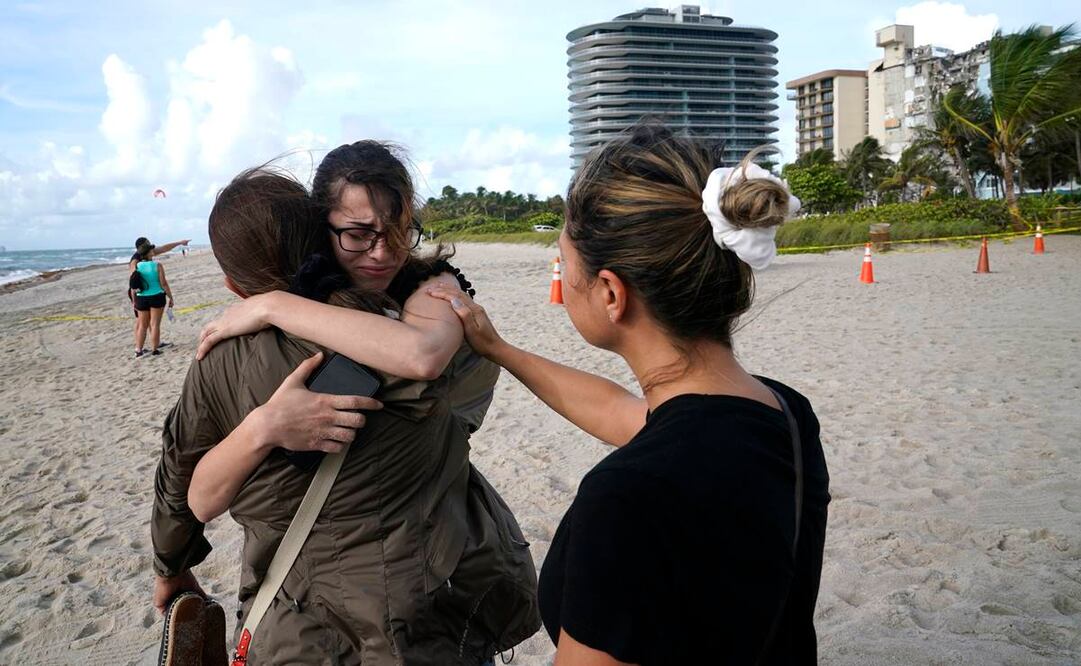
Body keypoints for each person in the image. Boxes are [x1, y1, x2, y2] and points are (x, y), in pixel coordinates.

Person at [427, 124, 831, 664]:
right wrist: (499, 349)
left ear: (612, 293)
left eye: (566, 263)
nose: (563, 278)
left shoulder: (627, 497)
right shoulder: (784, 413)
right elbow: (624, 413)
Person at [151, 159, 539, 664]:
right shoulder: (424, 323)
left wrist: (171, 568)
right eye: (360, 235)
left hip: (298, 625)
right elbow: (462, 403)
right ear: (322, 237)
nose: (381, 251)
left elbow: (181, 477)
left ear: (232, 285)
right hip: (431, 614)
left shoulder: (217, 358)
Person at [127, 237, 190, 342]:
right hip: (138, 291)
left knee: (150, 320)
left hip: (147, 291)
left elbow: (165, 248)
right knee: (141, 322)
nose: (151, 245)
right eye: (148, 243)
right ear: (142, 246)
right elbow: (133, 276)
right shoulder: (135, 259)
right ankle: (139, 347)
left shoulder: (147, 253)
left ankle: (154, 342)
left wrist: (180, 242)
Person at [131, 241, 174, 357]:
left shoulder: (137, 266)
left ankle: (138, 350)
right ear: (148, 253)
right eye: (151, 250)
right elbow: (163, 283)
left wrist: (134, 301)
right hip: (156, 296)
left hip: (141, 298)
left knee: (142, 326)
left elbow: (134, 284)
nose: (153, 251)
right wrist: (170, 297)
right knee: (155, 324)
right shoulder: (157, 265)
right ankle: (155, 349)